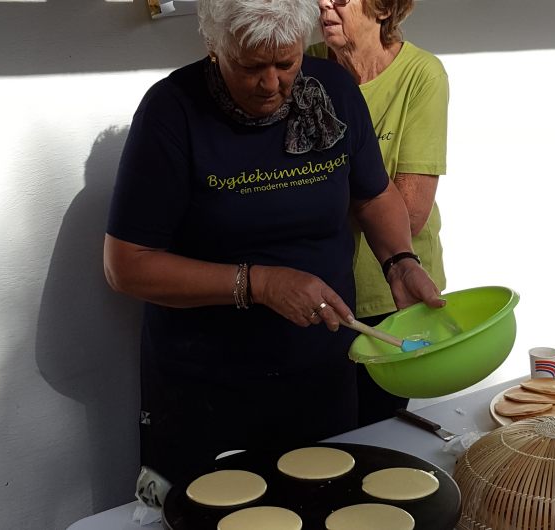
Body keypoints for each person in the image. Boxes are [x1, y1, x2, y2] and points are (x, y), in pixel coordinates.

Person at [103, 0, 444, 484]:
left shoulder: (334, 90)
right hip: (207, 385)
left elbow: (373, 194)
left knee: (327, 501)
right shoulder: (172, 111)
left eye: (286, 63)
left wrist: (399, 259)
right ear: (214, 46)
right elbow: (126, 265)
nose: (270, 83)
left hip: (322, 370)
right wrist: (259, 284)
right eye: (250, 66)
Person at [307, 0, 449, 426]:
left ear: (383, 8)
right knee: (318, 434)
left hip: (393, 288)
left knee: (376, 431)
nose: (324, 3)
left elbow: (410, 214)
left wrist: (316, 193)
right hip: (318, 289)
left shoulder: (422, 75)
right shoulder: (303, 66)